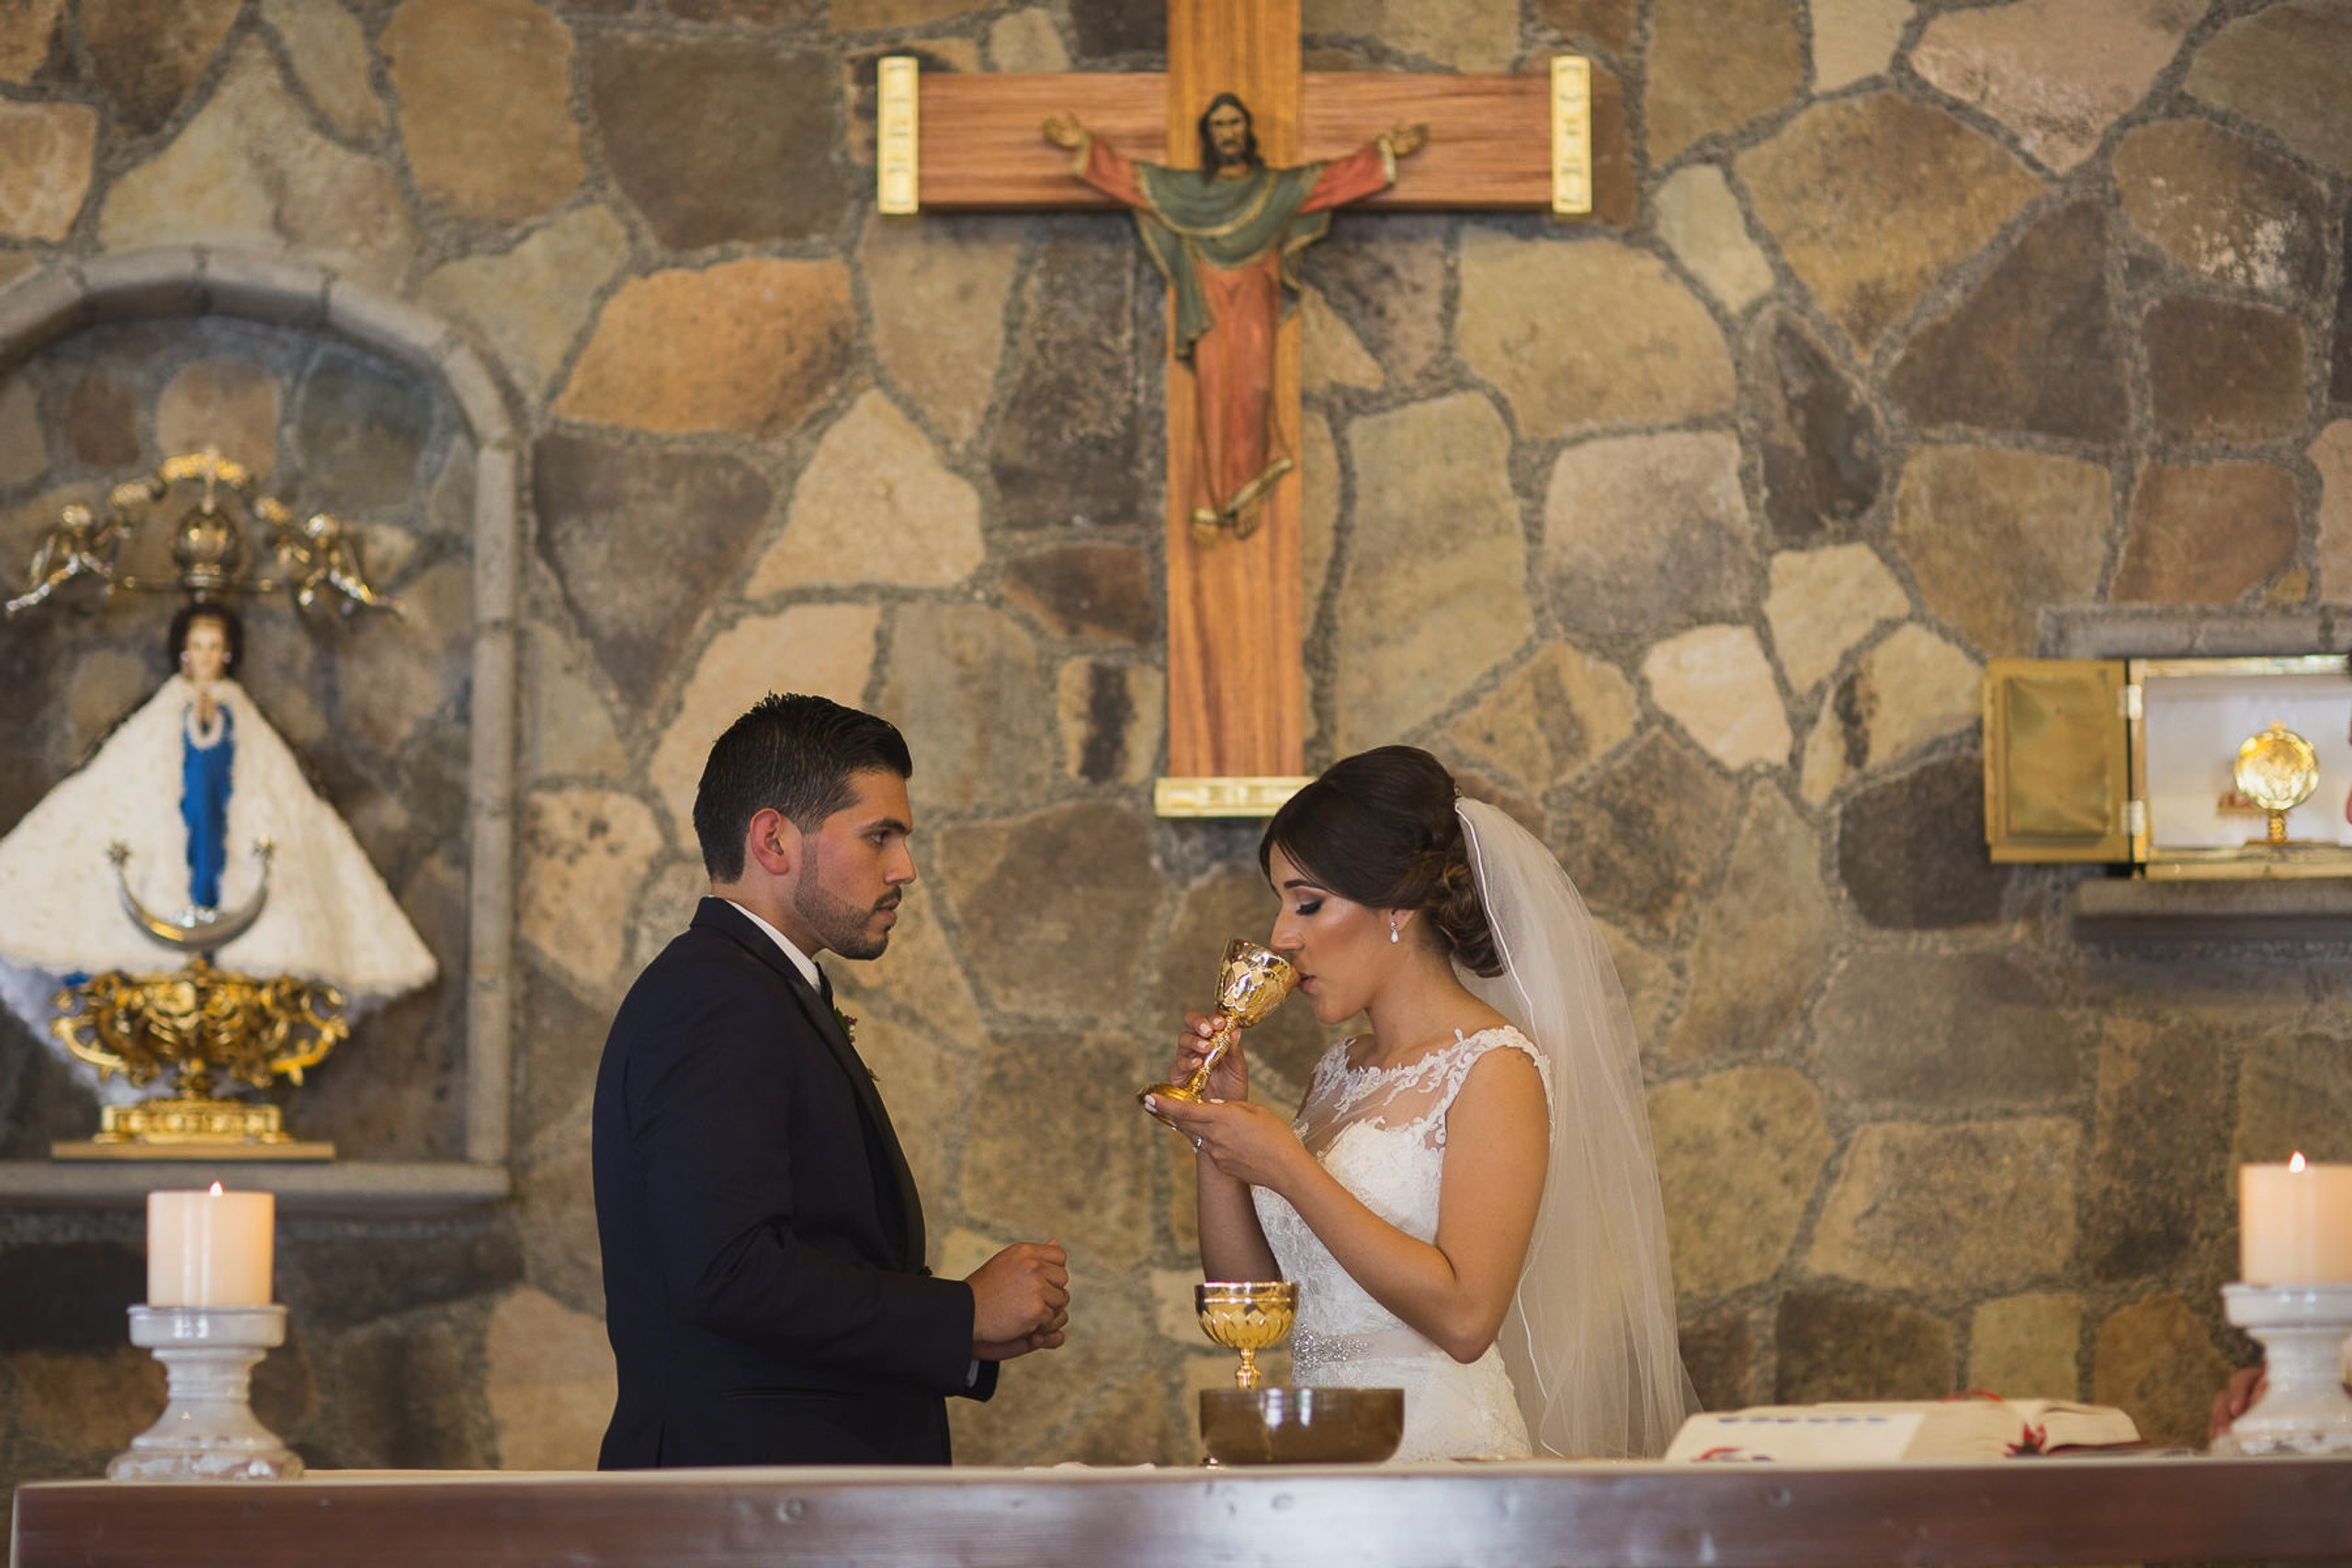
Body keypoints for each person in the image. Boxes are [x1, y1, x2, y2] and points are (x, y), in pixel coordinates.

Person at [1148, 746, 1693, 1461]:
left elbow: (1467, 1318)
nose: (1282, 936)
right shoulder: (1338, 1071)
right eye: (1281, 903)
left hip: (1436, 1456)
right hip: (1317, 1453)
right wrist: (1214, 1137)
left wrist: (1287, 1166)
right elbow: (1251, 1300)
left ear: (1397, 904)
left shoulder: (1495, 1066)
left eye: (1308, 902)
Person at [593, 694, 1070, 1468]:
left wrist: (971, 1334)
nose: (905, 868)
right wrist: (960, 1312)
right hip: (741, 1506)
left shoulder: (758, 987)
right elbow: (729, 1269)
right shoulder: (712, 996)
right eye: (879, 835)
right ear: (774, 838)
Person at [0, 600, 435, 1048]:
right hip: (173, 834)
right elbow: (119, 783)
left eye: (214, 647)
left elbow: (268, 787)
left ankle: (212, 954)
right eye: (197, 647)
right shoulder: (156, 719)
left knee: (220, 879)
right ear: (183, 654)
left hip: (223, 832)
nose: (205, 656)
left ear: (227, 654)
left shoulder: (241, 718)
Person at [1044, 95, 1426, 541]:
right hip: (1207, 302)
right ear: (1209, 135)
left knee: (1255, 387)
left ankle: (1247, 489)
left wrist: (1383, 151)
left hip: (1254, 300)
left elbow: (1328, 181)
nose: (1228, 133)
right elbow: (1138, 181)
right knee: (1211, 390)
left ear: (1248, 131)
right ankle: (1210, 499)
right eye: (1220, 125)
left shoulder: (1274, 190)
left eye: (1235, 123)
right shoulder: (1187, 193)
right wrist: (1086, 146)